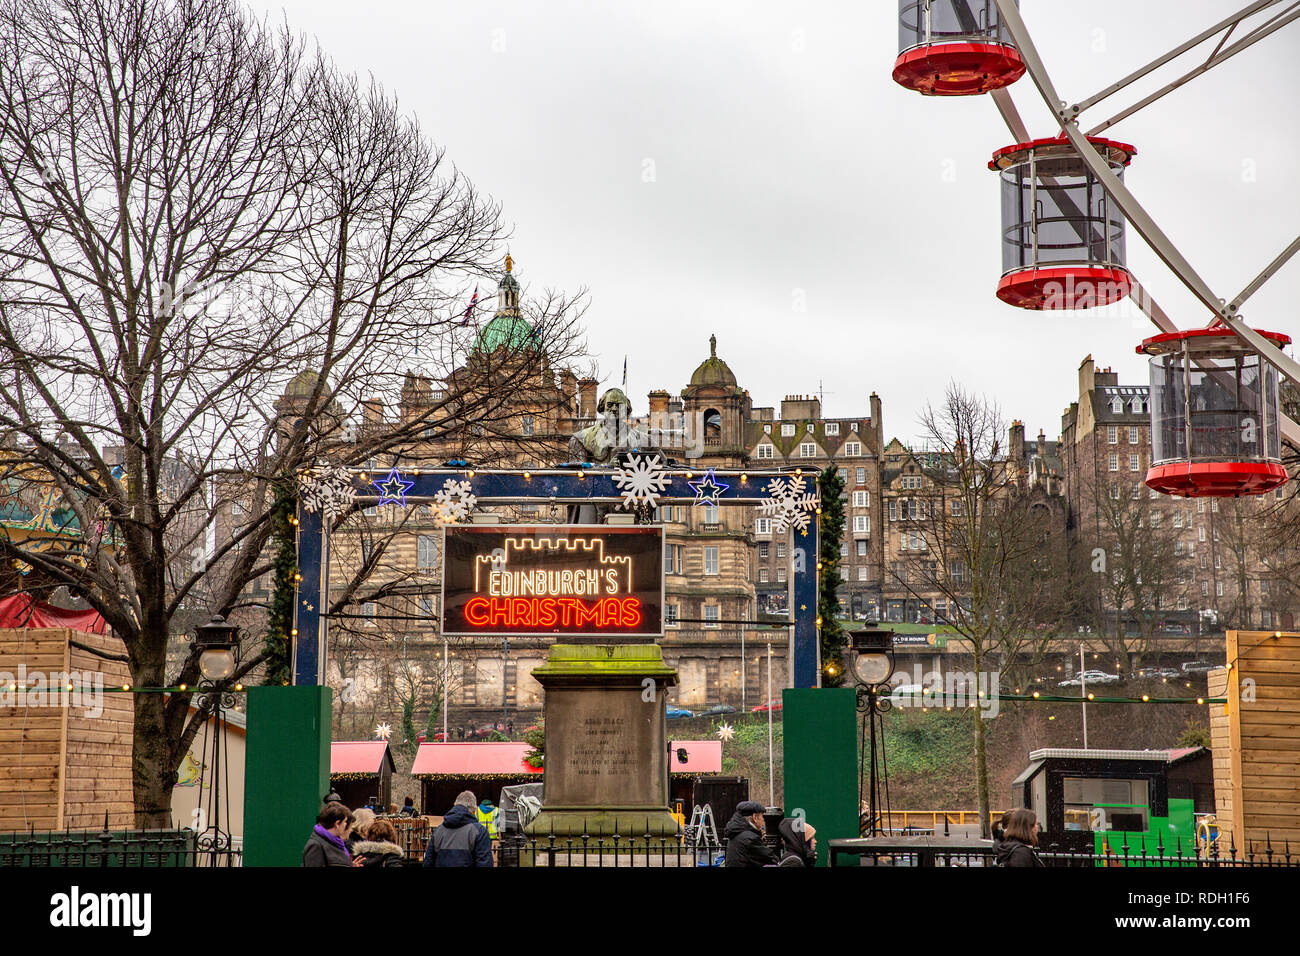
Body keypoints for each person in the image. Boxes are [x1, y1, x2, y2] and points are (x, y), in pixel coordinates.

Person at [422, 790, 494, 867]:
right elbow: (484, 863)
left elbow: (428, 862)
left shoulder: (438, 830)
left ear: (455, 804)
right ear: (474, 810)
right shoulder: (479, 831)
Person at [302, 802, 364, 867]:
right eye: (345, 821)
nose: (346, 825)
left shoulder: (336, 843)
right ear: (337, 824)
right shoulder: (316, 845)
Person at [723, 801, 777, 867]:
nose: (763, 821)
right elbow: (771, 858)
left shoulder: (736, 833)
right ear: (755, 817)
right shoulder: (751, 838)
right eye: (762, 816)